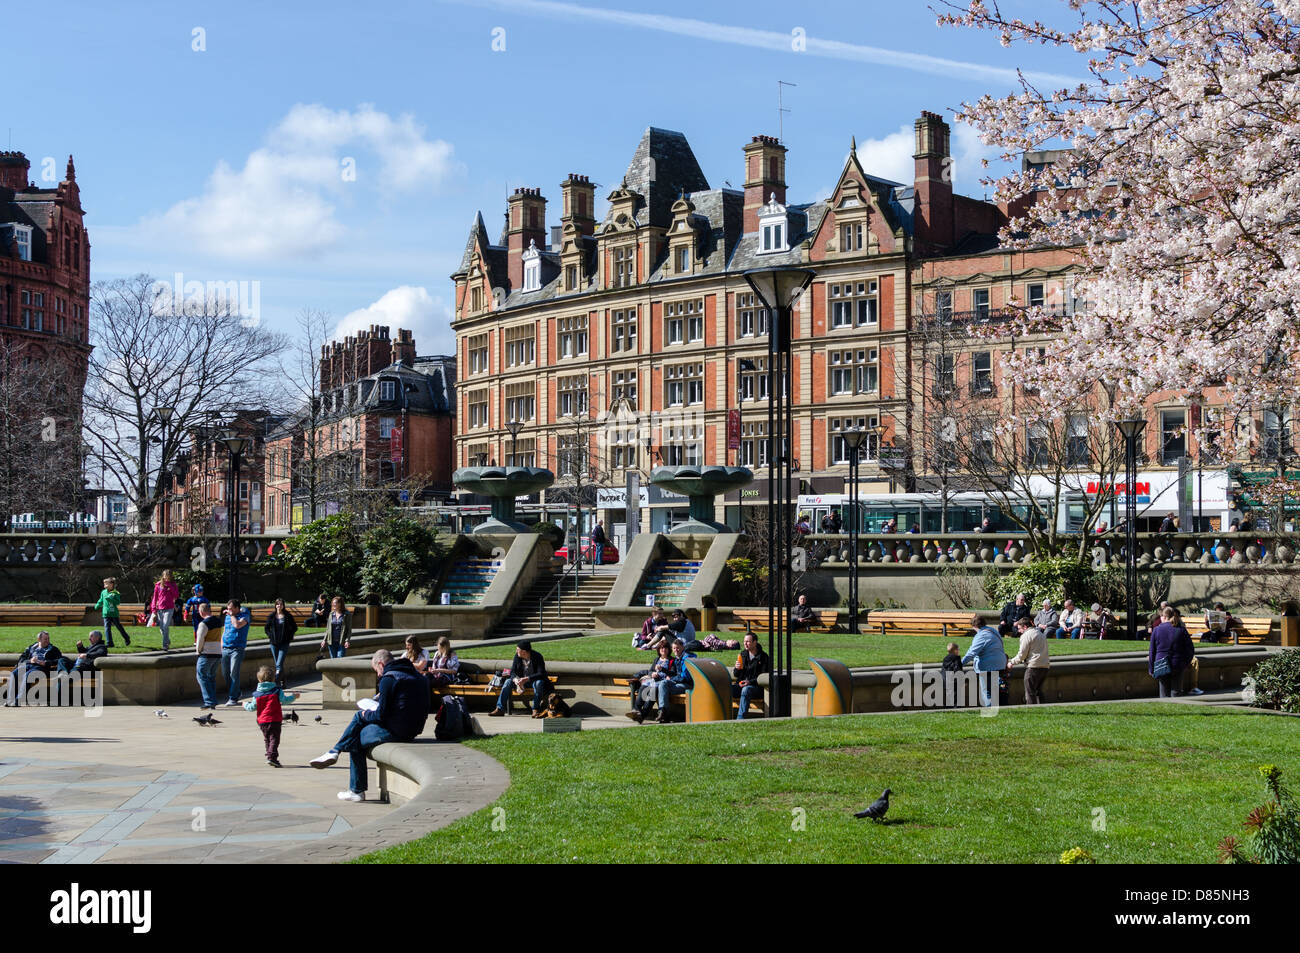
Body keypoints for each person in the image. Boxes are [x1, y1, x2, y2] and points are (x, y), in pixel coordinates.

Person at [310, 649, 430, 801]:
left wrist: (365, 713)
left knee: (356, 733)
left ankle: (355, 787)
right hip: (414, 728)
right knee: (357, 728)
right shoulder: (418, 677)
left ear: (381, 664)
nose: (378, 674)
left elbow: (381, 715)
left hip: (396, 731)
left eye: (376, 670)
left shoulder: (389, 679)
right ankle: (335, 752)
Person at [244, 664, 298, 767]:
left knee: (267, 738)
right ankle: (272, 757)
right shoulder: (277, 691)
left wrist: (245, 704)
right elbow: (285, 701)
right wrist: (294, 696)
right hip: (275, 719)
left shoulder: (257, 694)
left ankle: (269, 754)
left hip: (262, 721)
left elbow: (252, 707)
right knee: (274, 738)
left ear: (259, 680)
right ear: (273, 679)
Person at [488, 641, 551, 717]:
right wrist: (515, 679)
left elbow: (541, 673)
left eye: (518, 649)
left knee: (539, 683)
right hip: (520, 681)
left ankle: (535, 709)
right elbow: (512, 672)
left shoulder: (537, 656)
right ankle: (500, 709)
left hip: (533, 681)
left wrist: (527, 678)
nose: (516, 651)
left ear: (524, 651)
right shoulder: (517, 656)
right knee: (508, 682)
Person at [961, 614, 1008, 708]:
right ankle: (998, 708)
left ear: (974, 626)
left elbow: (971, 653)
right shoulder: (993, 631)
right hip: (1000, 664)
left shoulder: (981, 636)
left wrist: (960, 663)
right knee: (995, 690)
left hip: (987, 666)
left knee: (987, 692)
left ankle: (990, 710)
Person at [1149, 606, 1195, 698]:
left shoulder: (1157, 630)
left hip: (1161, 662)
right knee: (1176, 691)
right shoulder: (1181, 630)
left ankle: (1164, 711)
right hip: (1177, 663)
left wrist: (1151, 668)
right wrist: (1185, 663)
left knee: (1163, 692)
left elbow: (1152, 651)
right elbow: (1190, 649)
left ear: (1164, 617)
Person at [626, 640, 675, 723]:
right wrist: (652, 674)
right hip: (653, 681)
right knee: (644, 688)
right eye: (662, 648)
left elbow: (673, 673)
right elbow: (650, 671)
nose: (664, 650)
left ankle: (642, 715)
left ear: (669, 650)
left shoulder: (671, 660)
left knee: (652, 693)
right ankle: (636, 710)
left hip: (662, 683)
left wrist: (663, 670)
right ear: (659, 650)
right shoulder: (656, 660)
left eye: (666, 648)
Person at [1008, 617, 1051, 704]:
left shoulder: (1026, 635)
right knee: (1039, 691)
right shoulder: (1040, 633)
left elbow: (1022, 655)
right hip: (1045, 666)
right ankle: (1043, 709)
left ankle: (1031, 710)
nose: (1019, 631)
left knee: (1030, 692)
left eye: (1019, 628)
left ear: (1025, 627)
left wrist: (1011, 662)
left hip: (1033, 666)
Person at [13, 632, 70, 697]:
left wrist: (46, 663)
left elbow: (60, 660)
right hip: (29, 665)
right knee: (13, 674)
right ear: (39, 639)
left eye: (48, 639)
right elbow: (21, 659)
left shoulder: (53, 649)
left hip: (41, 668)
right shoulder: (31, 648)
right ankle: (10, 699)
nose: (47, 641)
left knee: (27, 675)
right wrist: (30, 660)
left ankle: (19, 699)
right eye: (45, 639)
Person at [653, 639, 695, 723]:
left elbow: (684, 677)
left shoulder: (686, 658)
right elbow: (674, 674)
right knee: (662, 684)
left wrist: (671, 679)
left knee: (662, 686)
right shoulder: (678, 659)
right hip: (678, 683)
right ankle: (662, 711)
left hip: (687, 685)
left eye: (678, 648)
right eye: (674, 648)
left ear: (683, 647)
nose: (676, 650)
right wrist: (663, 670)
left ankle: (664, 714)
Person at [220, 599, 252, 707]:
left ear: (237, 608)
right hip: (225, 648)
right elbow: (225, 630)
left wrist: (231, 615)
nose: (228, 611)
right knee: (225, 674)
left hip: (237, 649)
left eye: (231, 609)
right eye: (228, 608)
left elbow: (237, 625)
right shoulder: (228, 616)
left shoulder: (245, 616)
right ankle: (237, 692)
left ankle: (233, 698)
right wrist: (221, 643)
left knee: (234, 673)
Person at [731, 632, 770, 719]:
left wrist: (749, 682)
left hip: (755, 687)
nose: (745, 644)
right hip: (741, 684)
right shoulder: (743, 654)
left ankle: (740, 718)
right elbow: (736, 674)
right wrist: (737, 668)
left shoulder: (763, 657)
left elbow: (763, 677)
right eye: (744, 641)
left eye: (748, 641)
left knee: (746, 690)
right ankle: (723, 715)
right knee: (726, 688)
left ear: (755, 642)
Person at [193, 602, 223, 710]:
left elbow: (200, 639)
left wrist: (198, 651)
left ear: (201, 612)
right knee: (211, 677)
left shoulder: (203, 624)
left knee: (201, 676)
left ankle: (209, 701)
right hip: (218, 652)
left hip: (206, 653)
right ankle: (213, 700)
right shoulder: (218, 621)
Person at [264, 598, 298, 688]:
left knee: (279, 664)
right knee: (278, 664)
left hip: (284, 643)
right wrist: (270, 635)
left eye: (281, 604)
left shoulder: (288, 616)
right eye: (277, 604)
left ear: (283, 605)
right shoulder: (272, 616)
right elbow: (266, 628)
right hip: (274, 643)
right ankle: (283, 682)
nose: (279, 606)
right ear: (275, 605)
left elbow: (295, 627)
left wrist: (289, 636)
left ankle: (275, 683)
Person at [148, 569, 180, 651]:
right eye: (165, 575)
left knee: (165, 625)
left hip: (169, 608)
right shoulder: (158, 585)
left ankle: (165, 645)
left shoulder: (173, 584)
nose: (167, 577)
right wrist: (153, 609)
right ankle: (167, 640)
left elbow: (176, 595)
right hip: (160, 608)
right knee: (162, 628)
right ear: (163, 576)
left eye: (168, 575)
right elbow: (155, 598)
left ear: (171, 576)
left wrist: (169, 586)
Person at [95, 576, 130, 648]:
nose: (104, 584)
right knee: (107, 628)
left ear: (111, 584)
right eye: (104, 583)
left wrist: (111, 600)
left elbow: (118, 602)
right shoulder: (103, 592)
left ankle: (126, 638)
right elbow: (101, 600)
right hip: (106, 613)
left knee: (118, 627)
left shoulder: (116, 593)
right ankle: (109, 643)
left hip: (114, 614)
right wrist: (98, 604)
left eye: (106, 583)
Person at [941, 642, 964, 706]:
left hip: (947, 682)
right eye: (958, 649)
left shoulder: (945, 659)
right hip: (955, 683)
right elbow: (958, 670)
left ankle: (950, 709)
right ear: (955, 650)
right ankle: (956, 709)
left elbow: (943, 671)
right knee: (956, 699)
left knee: (949, 698)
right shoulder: (956, 659)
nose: (959, 651)